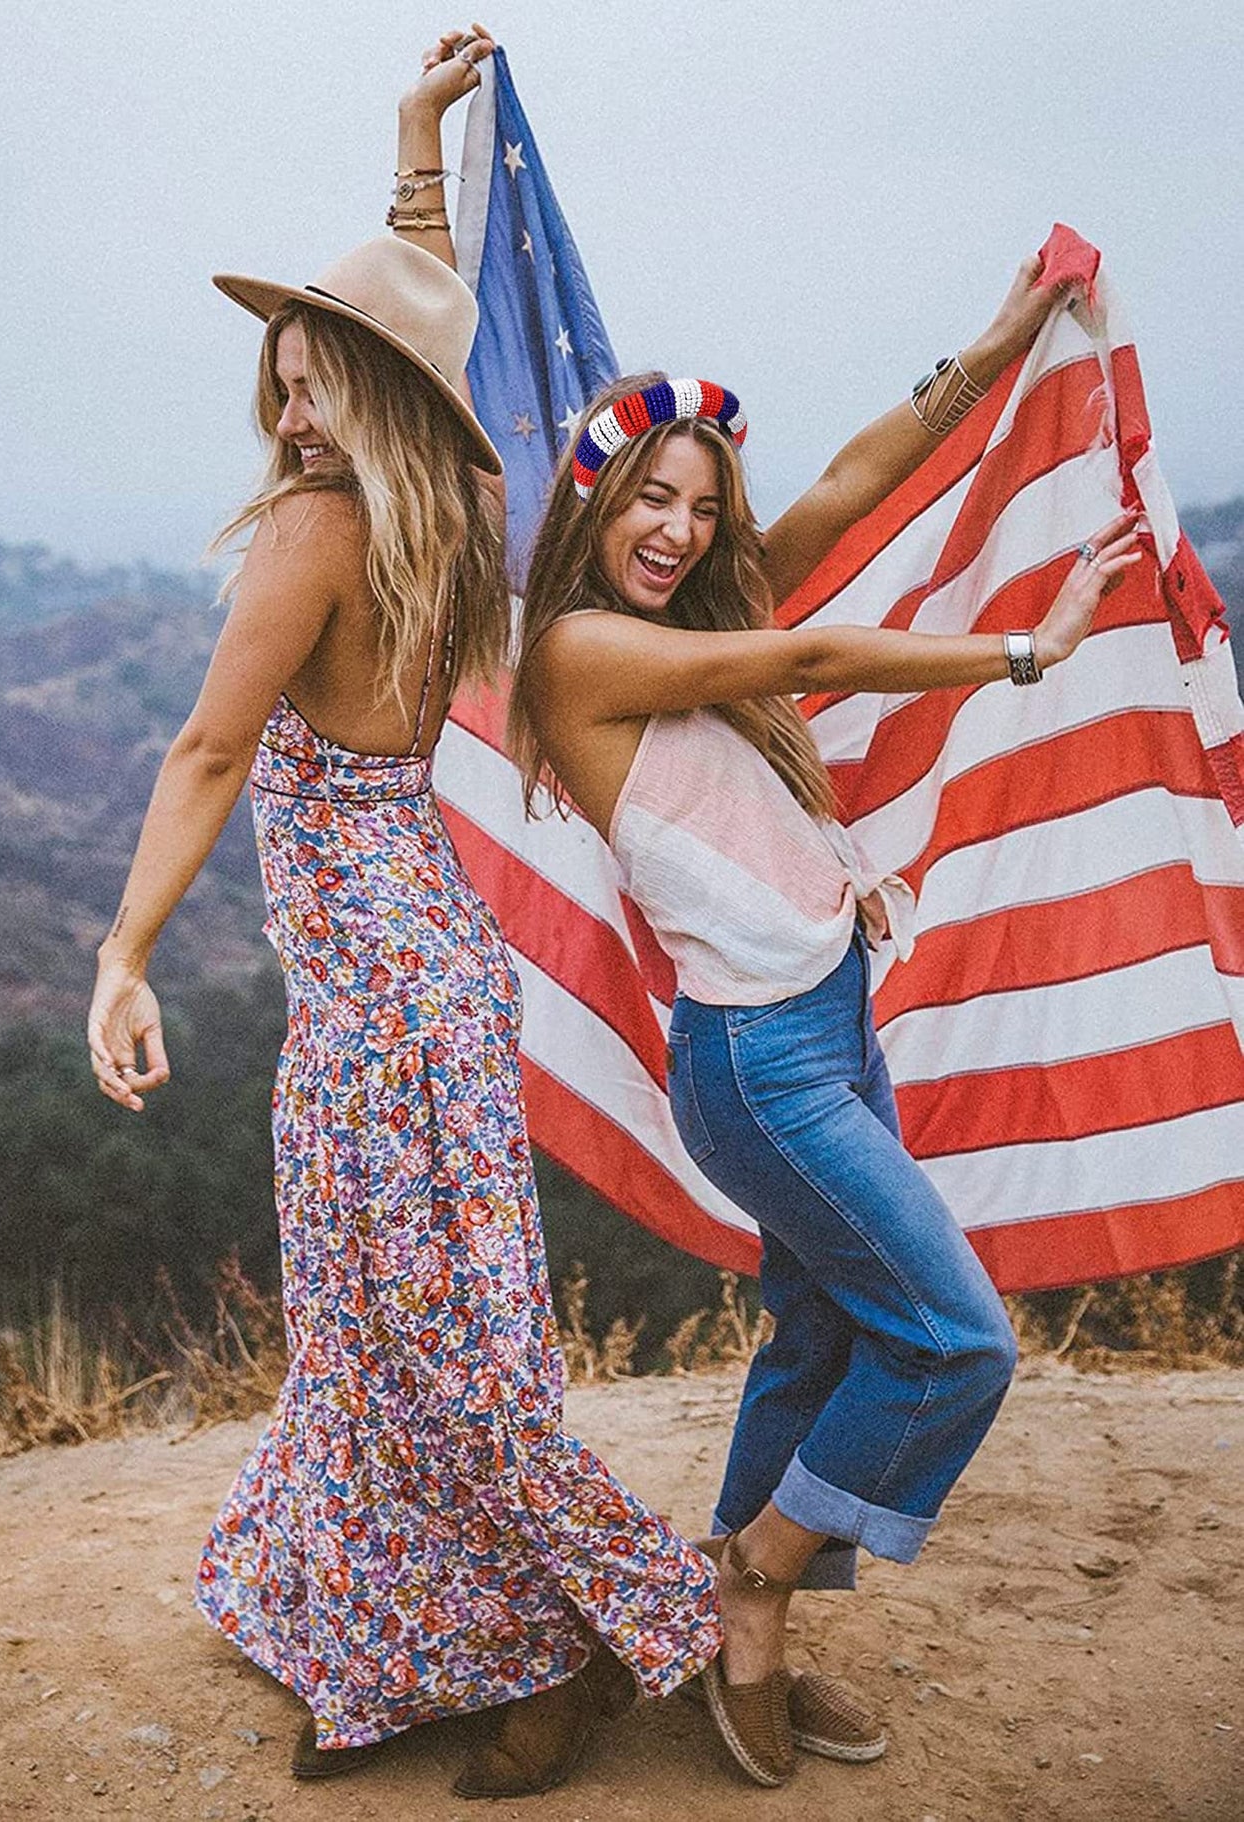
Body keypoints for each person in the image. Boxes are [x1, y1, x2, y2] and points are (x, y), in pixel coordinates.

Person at [85, 27, 721, 1800]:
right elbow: (416, 312)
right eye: (277, 378)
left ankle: (577, 1636)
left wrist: (124, 949)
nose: (286, 409)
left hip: (379, 1004)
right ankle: (401, 1639)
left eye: (308, 381)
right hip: (431, 975)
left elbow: (214, 747)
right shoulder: (456, 499)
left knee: (413, 1343)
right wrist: (413, 141)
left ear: (356, 396)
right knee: (417, 1331)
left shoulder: (316, 522)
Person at [509, 274, 1141, 1786]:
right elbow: (804, 662)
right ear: (588, 510)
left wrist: (996, 339)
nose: (674, 529)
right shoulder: (580, 653)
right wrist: (1024, 651)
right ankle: (749, 1576)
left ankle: (746, 1643)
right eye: (644, 499)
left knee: (820, 1329)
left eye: (698, 506)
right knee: (954, 1340)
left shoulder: (706, 600)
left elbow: (857, 480)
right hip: (754, 1065)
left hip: (827, 1020)